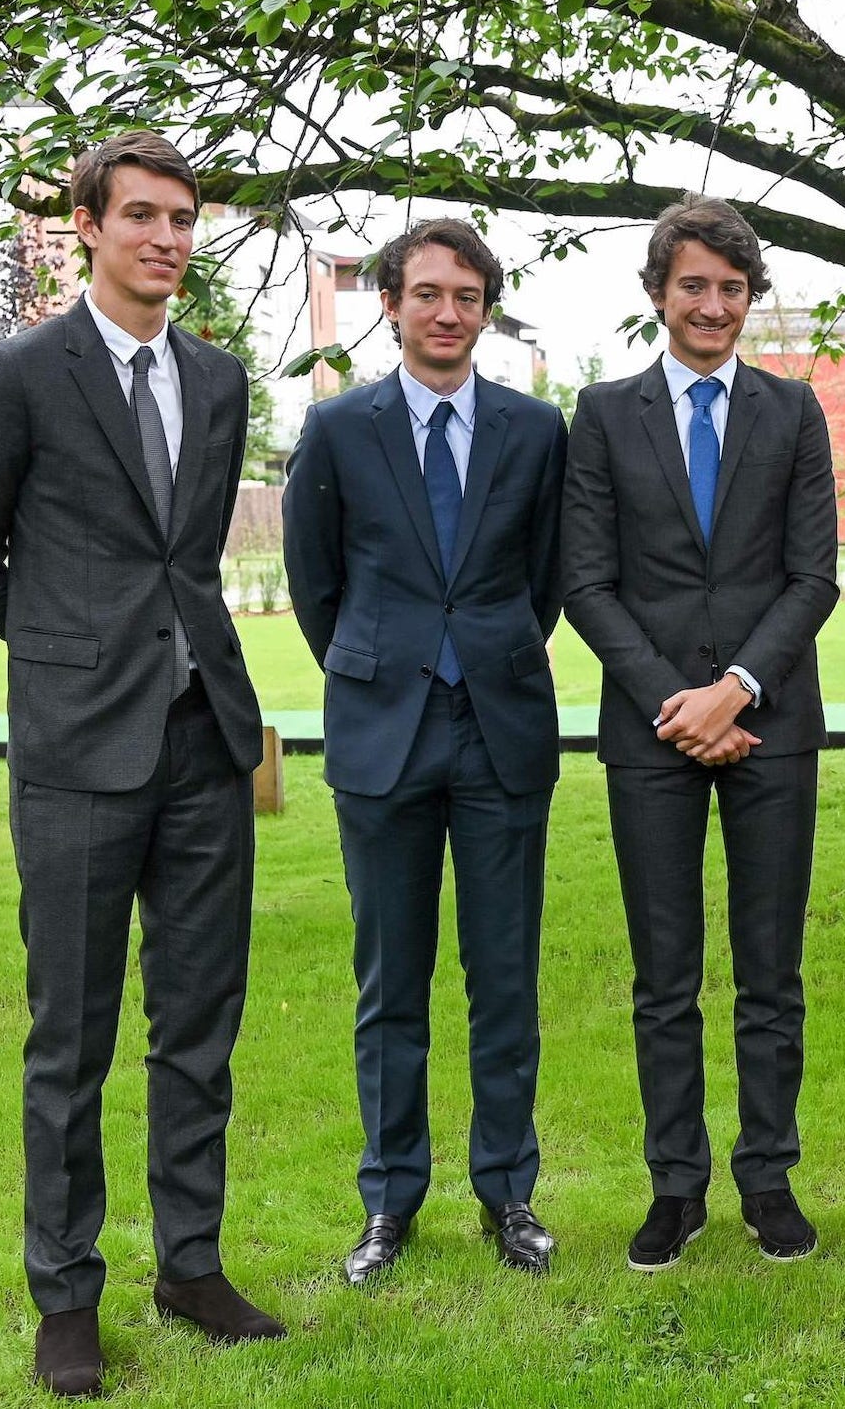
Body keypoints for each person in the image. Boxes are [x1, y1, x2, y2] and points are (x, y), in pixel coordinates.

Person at [0, 132, 280, 1396]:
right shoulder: (18, 374)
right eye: (141, 216)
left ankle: (192, 1265)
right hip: (77, 745)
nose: (165, 238)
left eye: (183, 219)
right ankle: (67, 1295)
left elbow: (187, 556)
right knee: (73, 1038)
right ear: (89, 227)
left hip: (203, 738)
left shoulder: (217, 381)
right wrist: (62, 645)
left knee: (197, 1026)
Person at [282, 219, 568, 1282]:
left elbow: (545, 582)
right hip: (380, 731)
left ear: (485, 310)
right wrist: (380, 661)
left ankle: (508, 1196)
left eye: (467, 296)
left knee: (504, 979)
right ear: (391, 305)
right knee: (389, 984)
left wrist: (480, 654)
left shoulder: (538, 430)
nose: (447, 313)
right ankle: (390, 1204)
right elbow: (316, 585)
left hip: (499, 727)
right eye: (427, 294)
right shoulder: (337, 430)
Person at [562, 195, 839, 1270]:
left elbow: (812, 576)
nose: (712, 304)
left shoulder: (794, 410)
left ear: (748, 298)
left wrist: (734, 689)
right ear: (657, 294)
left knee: (770, 972)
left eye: (730, 288)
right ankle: (674, 1186)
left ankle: (767, 1177)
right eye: (692, 286)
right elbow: (584, 581)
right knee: (663, 976)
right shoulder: (601, 412)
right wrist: (674, 703)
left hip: (771, 726)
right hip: (649, 735)